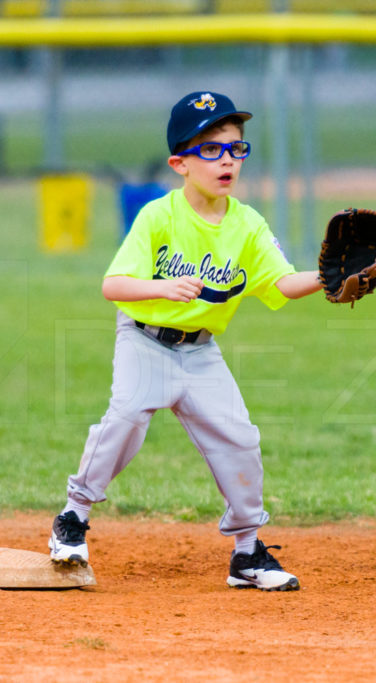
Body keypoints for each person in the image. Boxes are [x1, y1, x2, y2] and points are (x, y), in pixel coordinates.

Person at [48, 91, 323, 591]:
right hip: (144, 341)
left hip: (201, 353)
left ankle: (246, 554)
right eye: (212, 149)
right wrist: (162, 287)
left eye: (236, 149)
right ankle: (73, 515)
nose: (227, 161)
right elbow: (113, 286)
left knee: (240, 439)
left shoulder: (248, 225)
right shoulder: (159, 216)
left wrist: (328, 277)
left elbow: (281, 284)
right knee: (127, 416)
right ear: (180, 163)